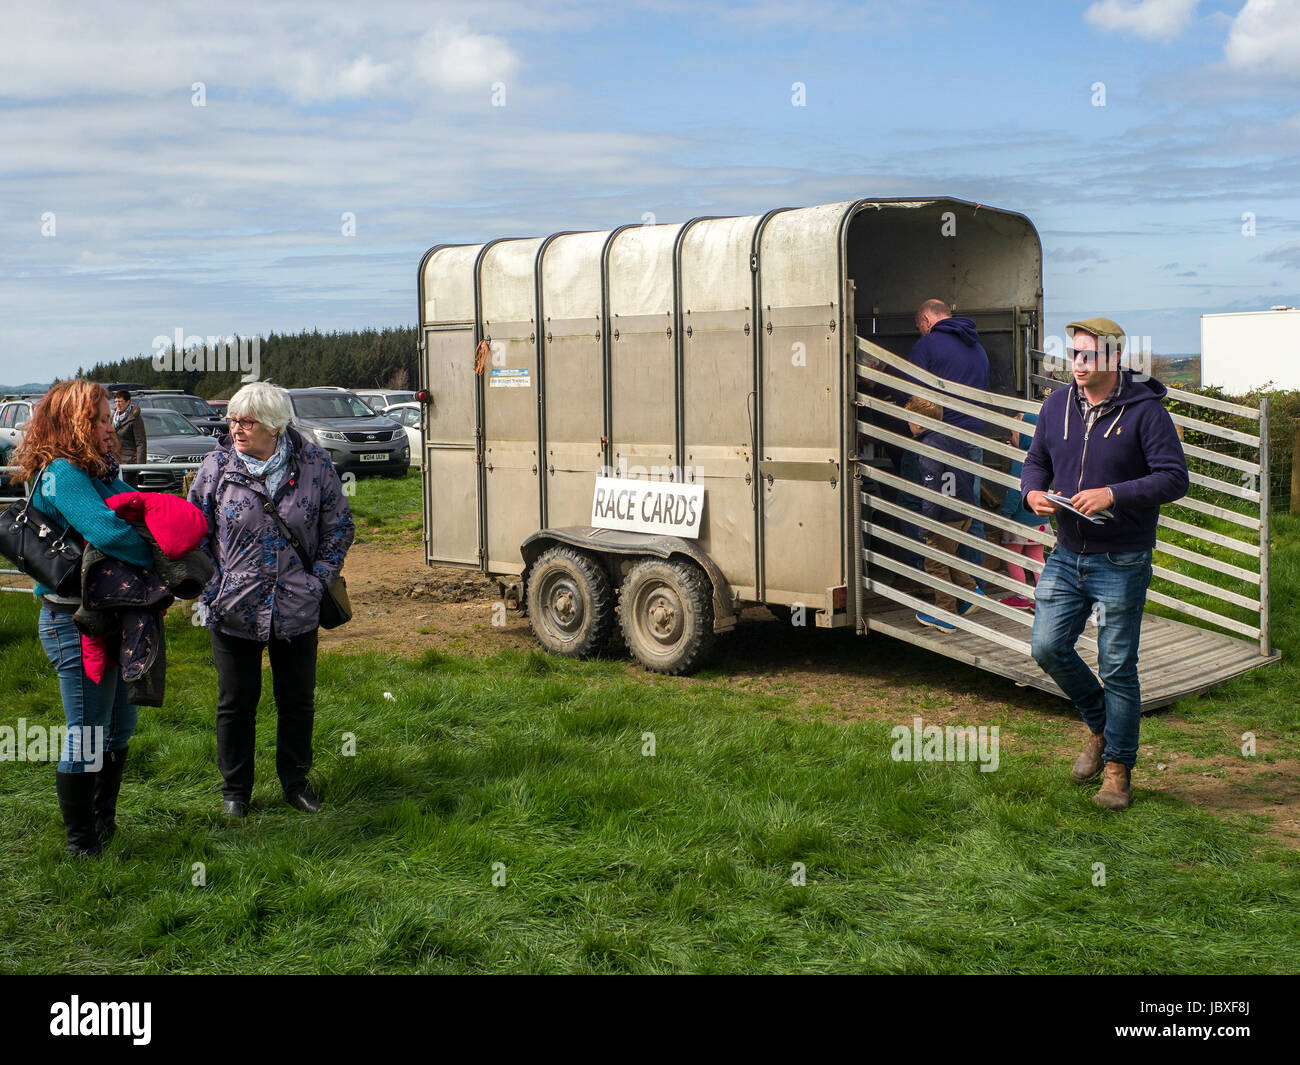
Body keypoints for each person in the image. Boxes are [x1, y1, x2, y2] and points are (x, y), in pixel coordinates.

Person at [1021, 317, 1189, 811]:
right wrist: (1032, 492)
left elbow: (1173, 479)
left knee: (1117, 666)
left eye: (1088, 356)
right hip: (1067, 552)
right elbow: (1036, 462)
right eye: (1073, 354)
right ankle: (1099, 725)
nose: (1077, 364)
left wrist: (1114, 493)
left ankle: (1118, 769)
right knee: (1047, 647)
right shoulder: (1056, 406)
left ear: (1115, 359)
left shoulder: (1146, 412)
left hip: (1123, 557)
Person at [188, 381, 354, 818]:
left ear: (276, 426)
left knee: (297, 700)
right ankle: (235, 793)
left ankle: (295, 784)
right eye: (233, 419)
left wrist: (318, 580)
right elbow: (192, 534)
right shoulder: (217, 467)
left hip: (296, 606)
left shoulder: (315, 464)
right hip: (233, 607)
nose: (236, 428)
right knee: (236, 702)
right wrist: (212, 588)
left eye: (248, 421)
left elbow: (339, 526)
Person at [13, 379, 154, 857]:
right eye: (95, 418)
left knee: (119, 727)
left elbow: (135, 513)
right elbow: (108, 531)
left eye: (105, 416)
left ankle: (102, 823)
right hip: (73, 622)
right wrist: (164, 554)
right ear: (71, 422)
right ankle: (81, 843)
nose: (107, 425)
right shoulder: (64, 472)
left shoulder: (99, 467)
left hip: (110, 616)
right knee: (89, 732)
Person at [906, 300, 992, 586]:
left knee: (915, 501)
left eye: (920, 326)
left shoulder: (927, 345)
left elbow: (913, 393)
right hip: (972, 440)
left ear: (927, 319)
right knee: (970, 508)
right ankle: (973, 584)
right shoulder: (977, 348)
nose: (921, 332)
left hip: (937, 439)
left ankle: (926, 577)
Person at [904, 396, 980, 633]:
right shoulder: (952, 439)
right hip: (963, 510)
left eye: (909, 419)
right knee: (950, 555)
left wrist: (927, 526)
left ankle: (946, 615)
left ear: (918, 422)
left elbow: (932, 490)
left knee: (936, 563)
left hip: (944, 515)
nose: (907, 424)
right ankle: (969, 594)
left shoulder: (928, 447)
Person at [999, 410, 1045, 610]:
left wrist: (1004, 514)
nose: (1011, 438)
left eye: (1014, 434)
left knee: (1013, 555)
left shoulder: (1021, 460)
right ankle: (1042, 599)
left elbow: (1014, 490)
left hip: (1020, 519)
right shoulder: (1043, 456)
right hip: (1040, 520)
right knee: (1037, 557)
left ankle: (1021, 595)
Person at [112, 390, 147, 488]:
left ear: (128, 402)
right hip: (115, 462)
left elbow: (141, 442)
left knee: (127, 491)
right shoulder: (113, 418)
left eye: (120, 401)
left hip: (130, 462)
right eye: (116, 401)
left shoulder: (135, 418)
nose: (117, 404)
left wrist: (139, 465)